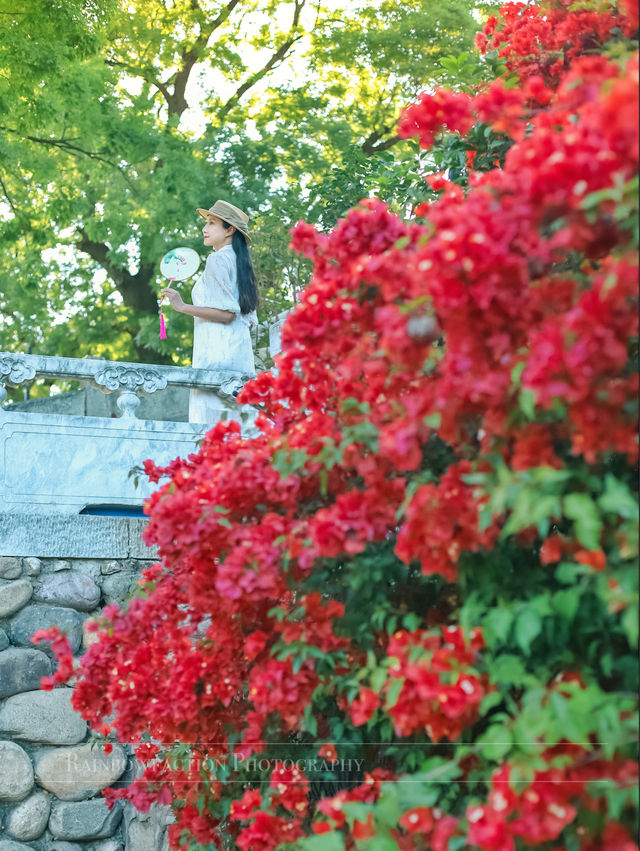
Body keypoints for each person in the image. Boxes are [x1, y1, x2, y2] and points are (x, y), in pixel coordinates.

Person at [160, 200, 259, 424]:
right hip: (238, 355)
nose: (204, 229)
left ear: (230, 229)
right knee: (240, 426)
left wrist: (182, 305)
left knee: (212, 429)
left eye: (212, 223)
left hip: (217, 355)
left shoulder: (217, 259)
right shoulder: (239, 262)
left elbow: (227, 314)